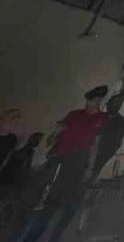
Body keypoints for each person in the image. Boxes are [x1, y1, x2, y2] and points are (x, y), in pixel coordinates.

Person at [17, 85, 111, 242]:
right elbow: (52, 139)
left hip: (78, 165)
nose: (92, 103)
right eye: (90, 99)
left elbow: (95, 143)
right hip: (58, 161)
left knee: (70, 204)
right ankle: (31, 238)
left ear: (100, 101)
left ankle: (54, 236)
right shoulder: (74, 115)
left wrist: (90, 167)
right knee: (47, 204)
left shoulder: (101, 119)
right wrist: (56, 132)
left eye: (96, 100)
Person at [91, 95, 124, 180]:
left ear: (120, 106)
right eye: (112, 102)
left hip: (105, 151)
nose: (114, 105)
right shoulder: (99, 116)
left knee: (94, 171)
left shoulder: (122, 121)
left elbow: (118, 139)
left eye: (117, 103)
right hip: (89, 148)